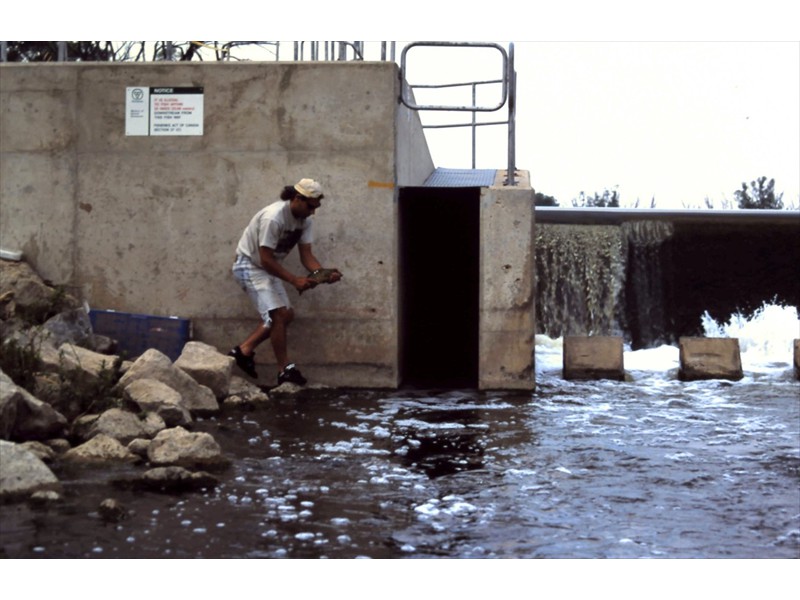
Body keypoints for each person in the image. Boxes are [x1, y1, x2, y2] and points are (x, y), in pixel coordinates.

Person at [229, 178, 341, 385]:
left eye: (315, 208)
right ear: (297, 198)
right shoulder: (274, 218)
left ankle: (243, 350)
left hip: (269, 268)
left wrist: (323, 274)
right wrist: (293, 280)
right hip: (250, 266)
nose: (312, 212)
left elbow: (307, 256)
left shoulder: (305, 221)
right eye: (310, 206)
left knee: (286, 315)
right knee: (278, 314)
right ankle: (284, 370)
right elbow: (265, 258)